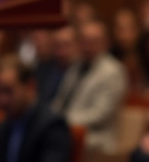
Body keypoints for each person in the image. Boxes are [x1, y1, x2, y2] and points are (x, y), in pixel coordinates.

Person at [52, 21, 127, 155]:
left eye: (94, 41)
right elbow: (61, 99)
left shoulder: (113, 71)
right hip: (67, 129)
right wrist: (49, 117)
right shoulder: (76, 65)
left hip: (95, 136)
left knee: (52, 140)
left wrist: (63, 120)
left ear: (105, 43)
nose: (88, 46)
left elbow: (99, 115)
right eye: (84, 41)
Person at [0, 56, 71, 162]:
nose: (1, 100)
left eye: (8, 91)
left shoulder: (52, 125)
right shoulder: (2, 126)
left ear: (30, 86)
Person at [40, 26, 77, 105]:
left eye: (66, 45)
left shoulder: (84, 72)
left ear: (77, 45)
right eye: (57, 46)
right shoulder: (46, 70)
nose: (61, 52)